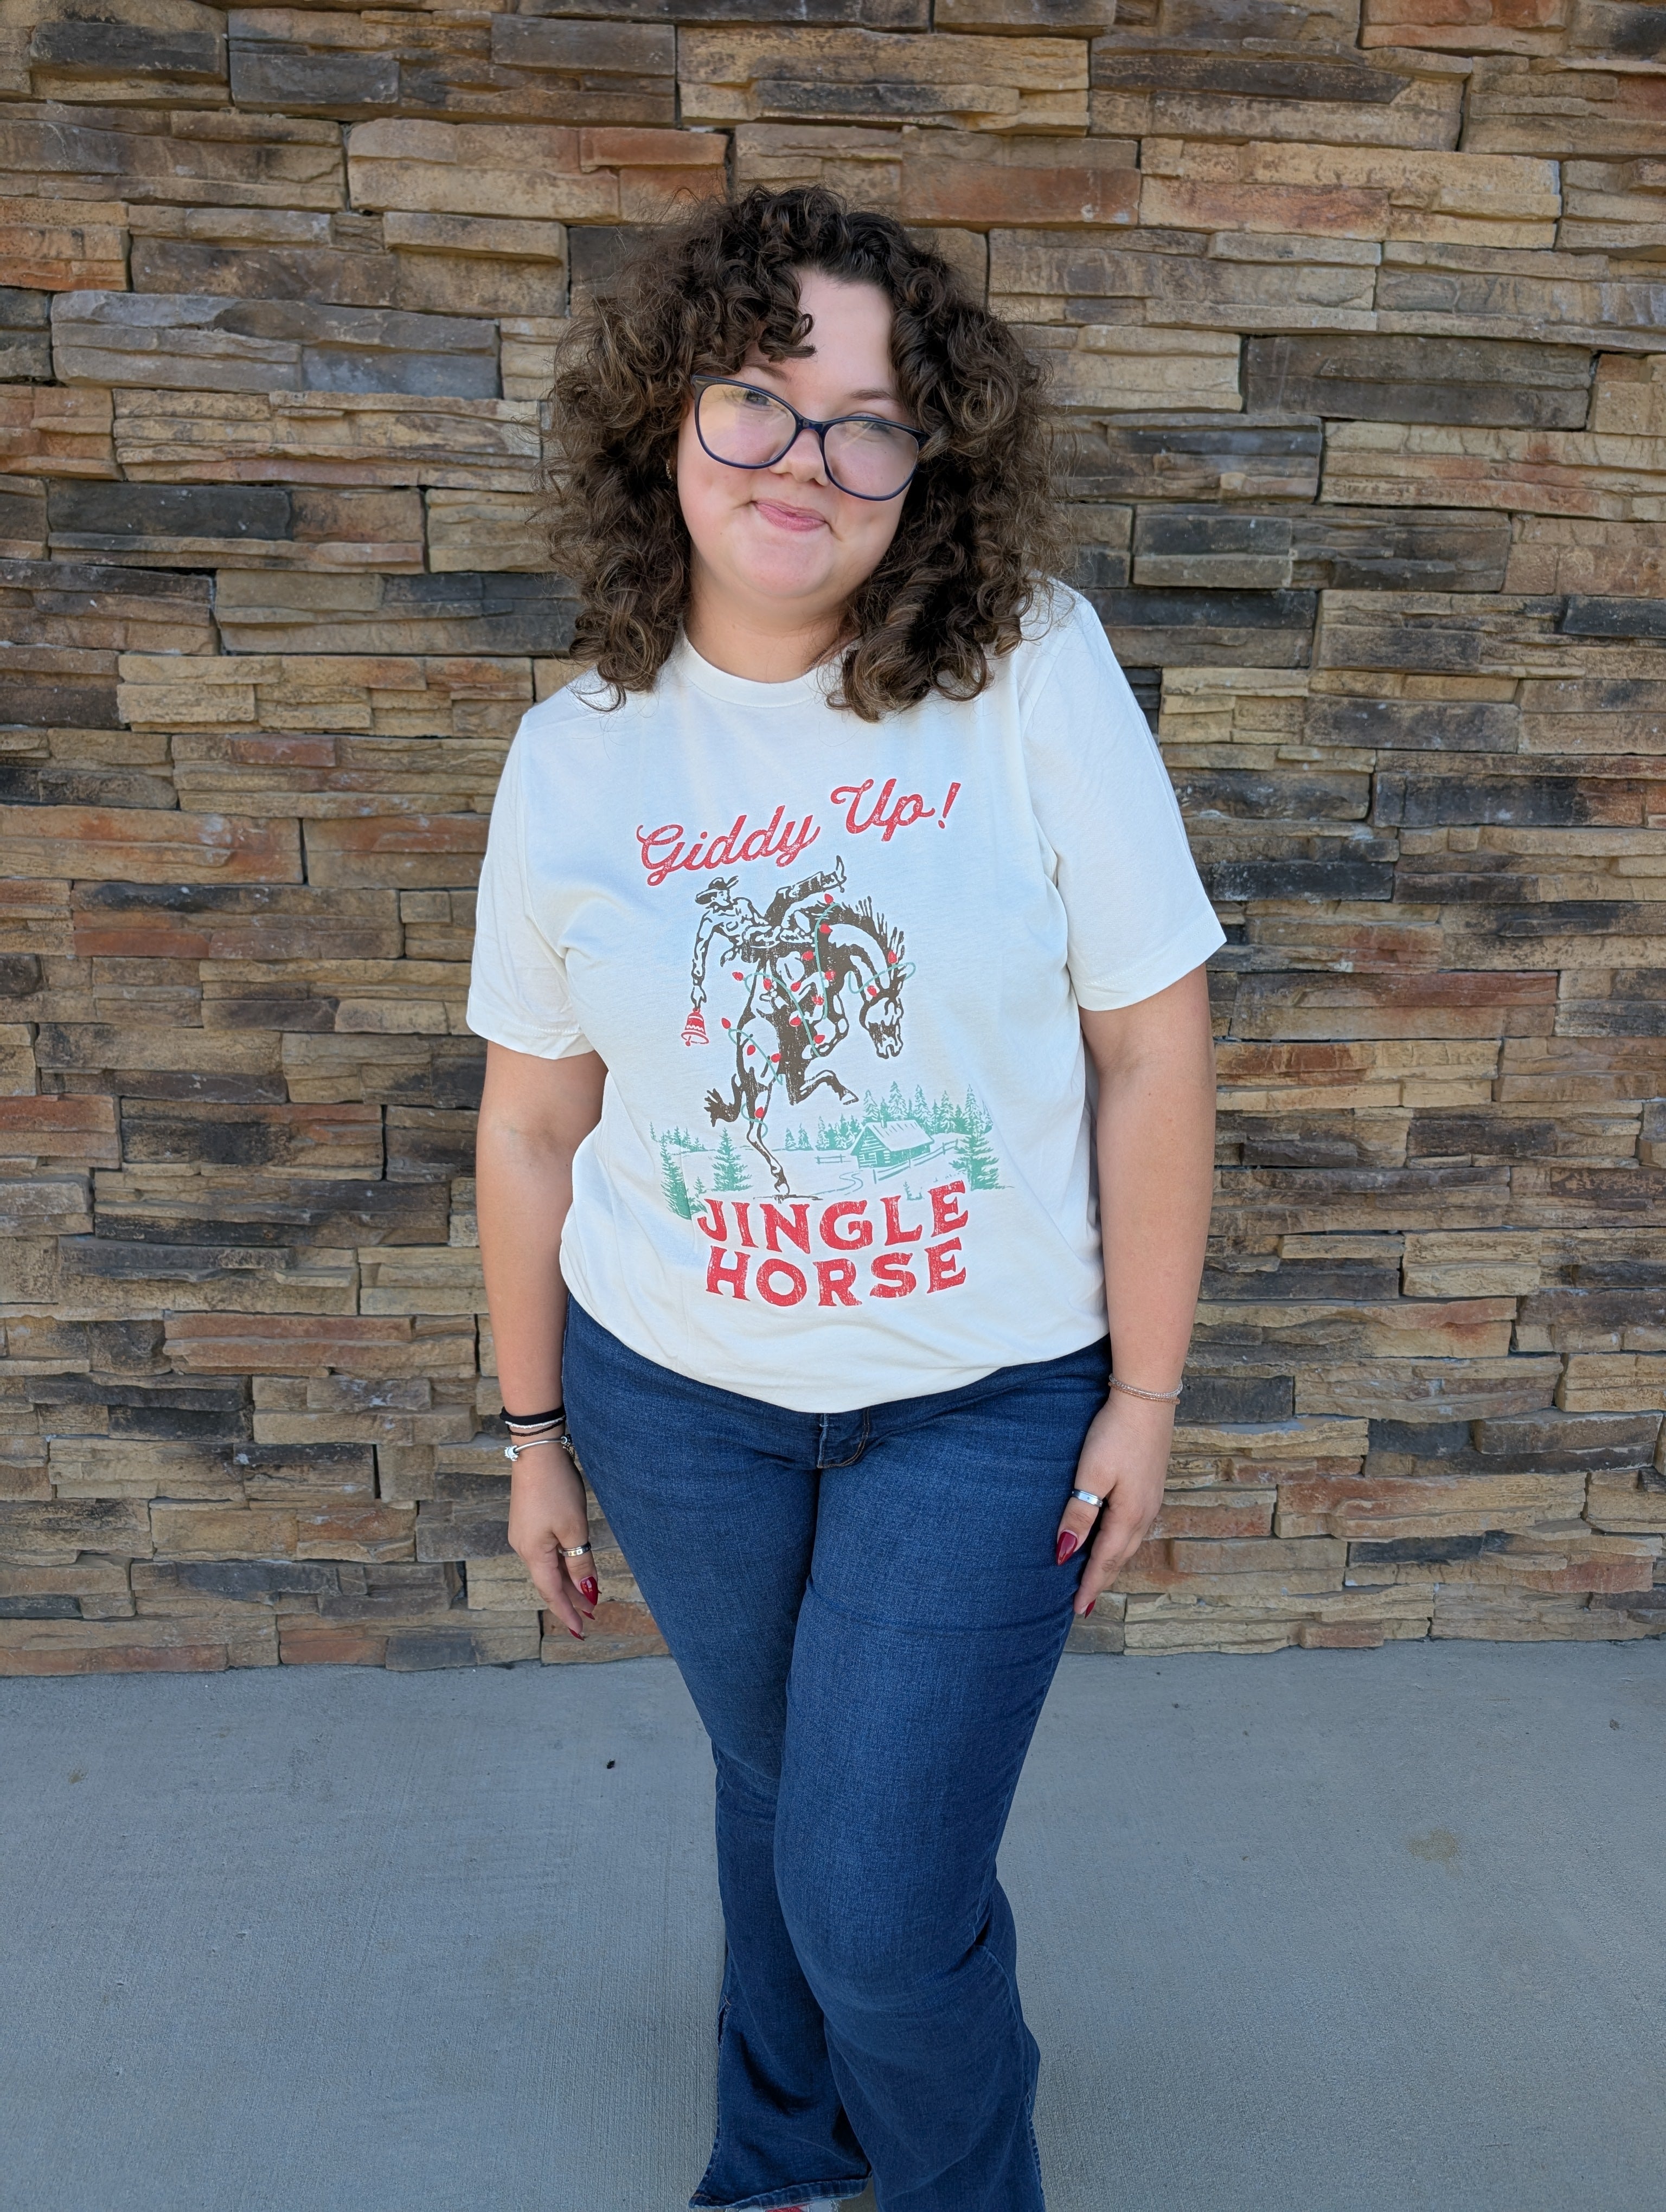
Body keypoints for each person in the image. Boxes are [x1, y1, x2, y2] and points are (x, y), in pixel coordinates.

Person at [467, 187, 1222, 2212]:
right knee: (777, 1783)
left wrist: (1145, 1398)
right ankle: (781, 2153)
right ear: (668, 421)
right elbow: (532, 1127)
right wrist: (534, 1434)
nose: (804, 458)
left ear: (926, 463)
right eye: (756, 398)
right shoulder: (574, 758)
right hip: (673, 1401)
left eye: (868, 420)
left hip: (984, 1404)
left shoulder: (1031, 671)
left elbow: (1154, 1048)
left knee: (881, 1904)